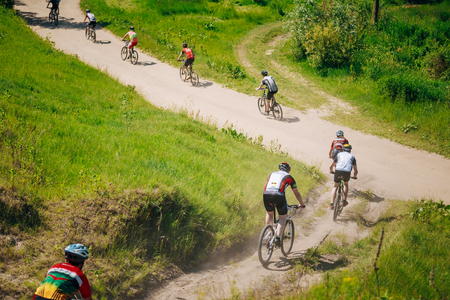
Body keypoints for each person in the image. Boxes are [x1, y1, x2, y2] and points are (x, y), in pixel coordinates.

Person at [263, 162, 305, 246]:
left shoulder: (272, 174)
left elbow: (266, 186)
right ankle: (277, 238)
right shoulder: (289, 177)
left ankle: (269, 234)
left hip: (266, 194)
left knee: (269, 213)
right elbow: (296, 193)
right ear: (288, 170)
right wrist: (301, 204)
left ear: (279, 169)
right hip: (278, 195)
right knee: (282, 217)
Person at [329, 144, 358, 210]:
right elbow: (356, 170)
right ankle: (344, 201)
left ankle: (331, 204)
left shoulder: (339, 155)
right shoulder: (352, 157)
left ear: (343, 149)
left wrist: (331, 171)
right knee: (345, 184)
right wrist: (354, 176)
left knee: (335, 186)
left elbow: (331, 166)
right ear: (350, 150)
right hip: (347, 172)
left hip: (338, 171)